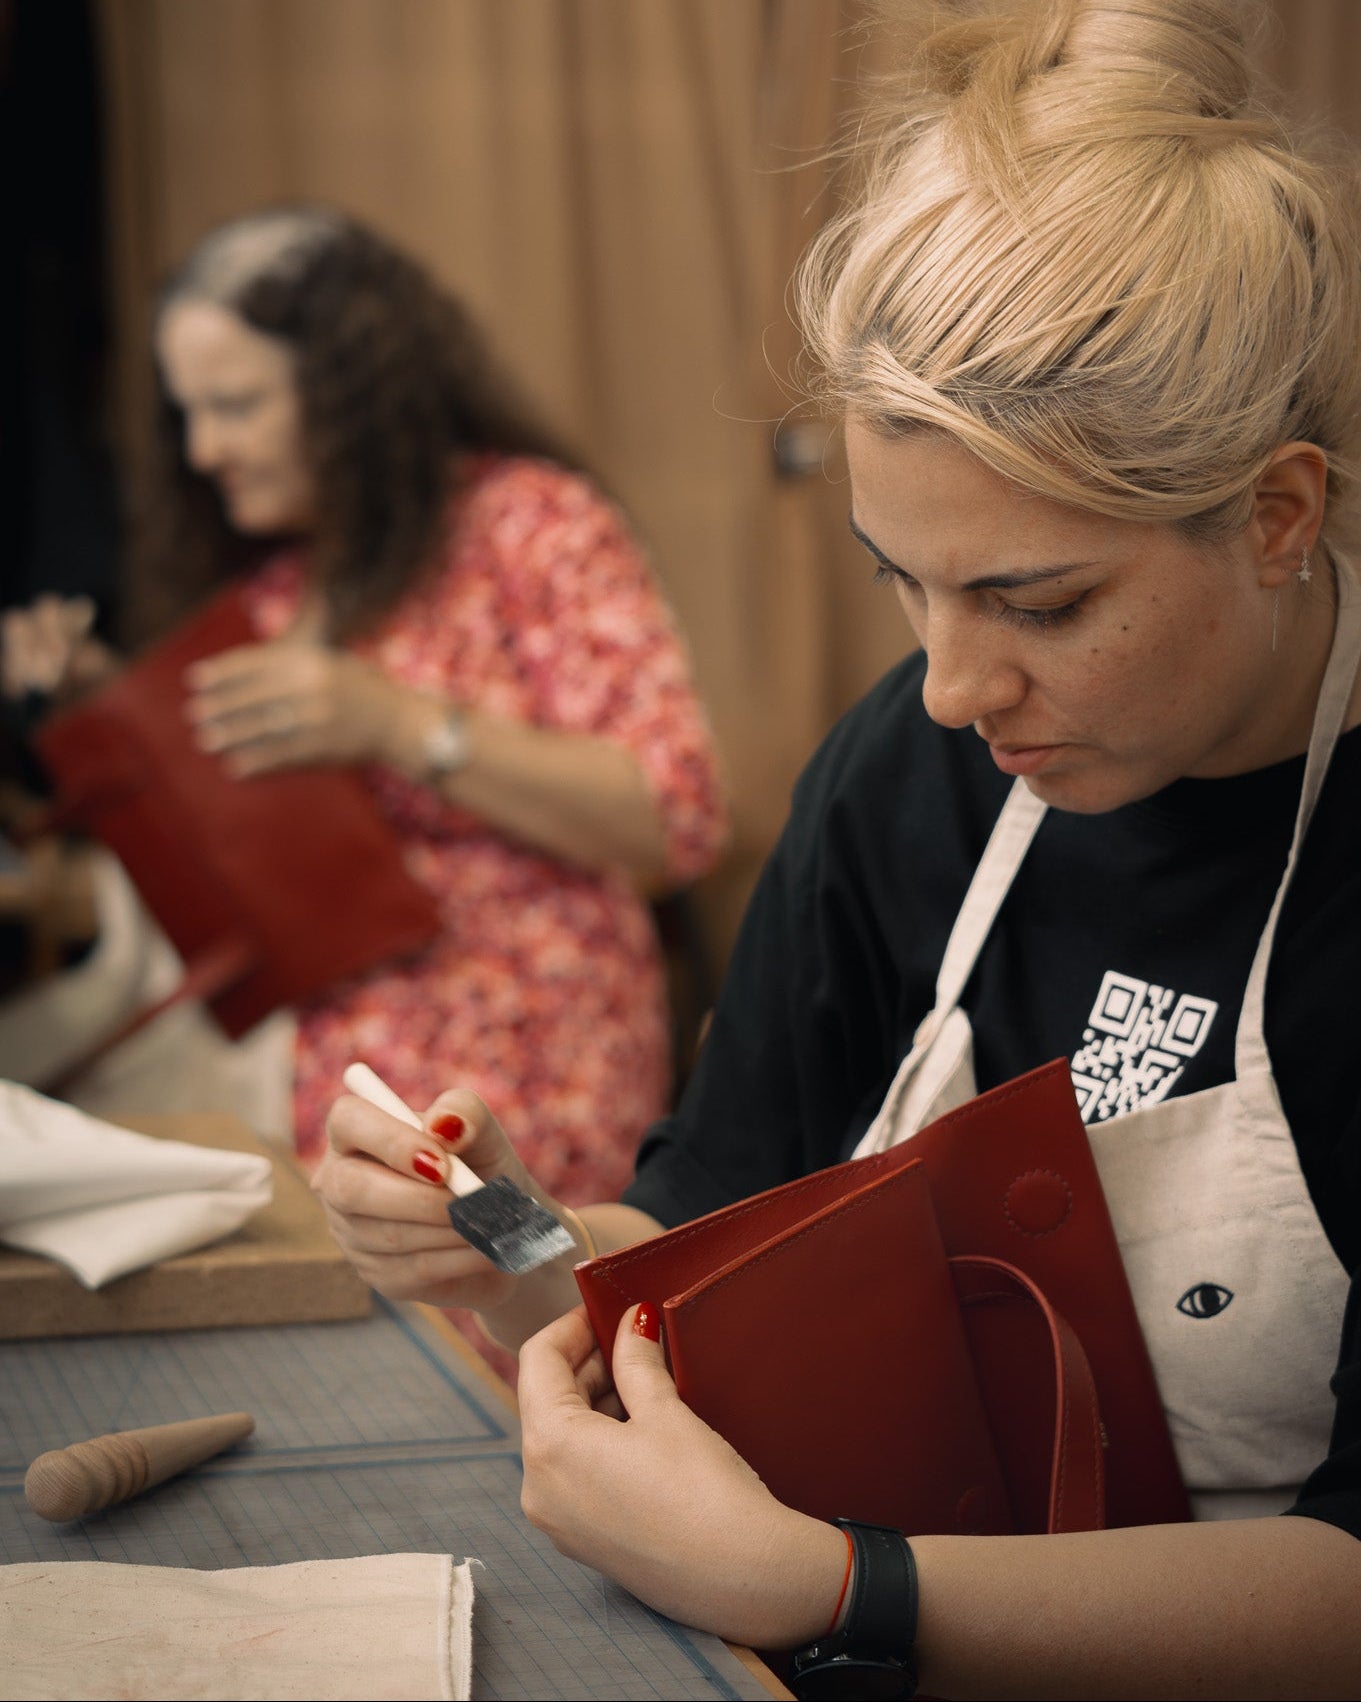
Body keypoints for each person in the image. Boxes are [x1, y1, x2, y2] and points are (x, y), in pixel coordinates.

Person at [310, 1, 1361, 1694]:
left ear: (1276, 515)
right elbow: (695, 1248)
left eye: (1041, 601)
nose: (950, 686)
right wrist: (495, 1231)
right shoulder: (905, 772)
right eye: (902, 577)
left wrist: (843, 1588)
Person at [1, 206, 729, 1214]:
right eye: (187, 416)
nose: (205, 449)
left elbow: (673, 815)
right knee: (357, 1355)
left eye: (237, 406)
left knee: (508, 1324)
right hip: (315, 1072)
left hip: (525, 1069)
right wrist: (112, 709)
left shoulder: (529, 525)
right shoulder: (273, 589)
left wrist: (394, 724)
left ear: (348, 391)